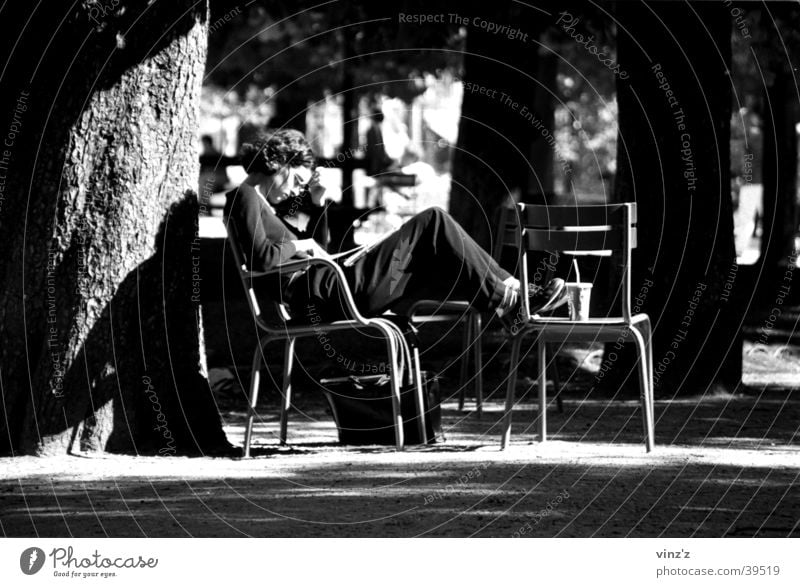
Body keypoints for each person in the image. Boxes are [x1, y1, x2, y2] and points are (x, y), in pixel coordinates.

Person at [223, 129, 566, 326]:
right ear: (277, 163)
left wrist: (317, 203)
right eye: (296, 180)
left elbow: (321, 249)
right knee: (433, 221)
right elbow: (263, 261)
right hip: (319, 295)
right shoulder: (244, 196)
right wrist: (300, 246)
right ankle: (511, 299)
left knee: (437, 256)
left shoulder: (263, 204)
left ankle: (511, 300)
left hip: (326, 286)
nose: (295, 189)